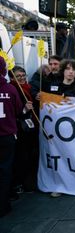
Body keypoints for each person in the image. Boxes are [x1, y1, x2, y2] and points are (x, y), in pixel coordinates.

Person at [0, 56, 32, 217]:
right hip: (7, 136)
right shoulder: (10, 89)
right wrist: (26, 108)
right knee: (5, 170)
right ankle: (4, 204)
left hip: (6, 136)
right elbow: (20, 112)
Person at [8, 67, 38, 197]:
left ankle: (27, 182)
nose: (21, 78)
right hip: (19, 130)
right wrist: (25, 110)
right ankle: (19, 183)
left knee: (30, 155)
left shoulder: (28, 88)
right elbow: (13, 112)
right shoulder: (12, 89)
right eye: (18, 76)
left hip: (30, 129)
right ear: (12, 78)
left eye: (23, 75)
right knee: (21, 158)